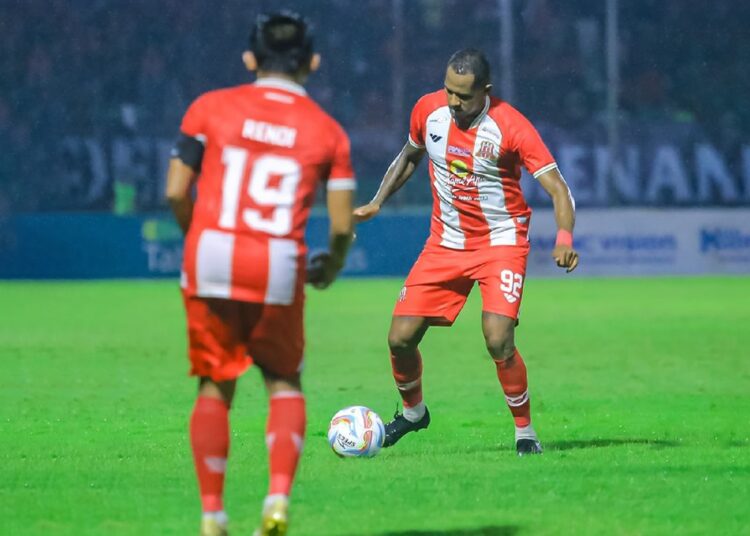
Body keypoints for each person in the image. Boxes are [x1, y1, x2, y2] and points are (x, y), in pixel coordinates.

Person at [166, 11, 355, 536]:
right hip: (276, 263)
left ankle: (212, 515)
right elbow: (341, 227)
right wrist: (333, 266)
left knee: (214, 386)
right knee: (283, 383)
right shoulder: (328, 133)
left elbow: (175, 190)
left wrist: (199, 237)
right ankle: (275, 502)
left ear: (249, 59)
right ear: (312, 62)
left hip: (211, 256)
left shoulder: (208, 109)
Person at [354, 48, 578, 456]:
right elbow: (408, 157)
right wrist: (377, 201)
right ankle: (413, 413)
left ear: (485, 91)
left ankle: (525, 433)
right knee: (399, 339)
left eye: (463, 96)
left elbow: (558, 187)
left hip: (501, 242)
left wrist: (564, 238)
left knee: (498, 339)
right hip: (445, 242)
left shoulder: (511, 127)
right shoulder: (428, 110)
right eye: (449, 92)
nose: (454, 103)